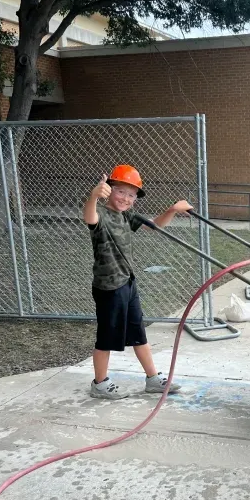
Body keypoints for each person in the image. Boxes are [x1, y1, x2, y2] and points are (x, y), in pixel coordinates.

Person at [83, 164, 192, 399]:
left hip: (127, 282)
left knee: (138, 331)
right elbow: (89, 217)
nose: (126, 198)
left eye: (131, 195)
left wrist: (172, 209)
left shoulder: (127, 215)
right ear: (109, 190)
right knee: (107, 337)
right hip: (109, 286)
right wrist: (93, 196)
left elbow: (155, 225)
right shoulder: (101, 215)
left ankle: (153, 379)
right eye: (120, 191)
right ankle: (99, 383)